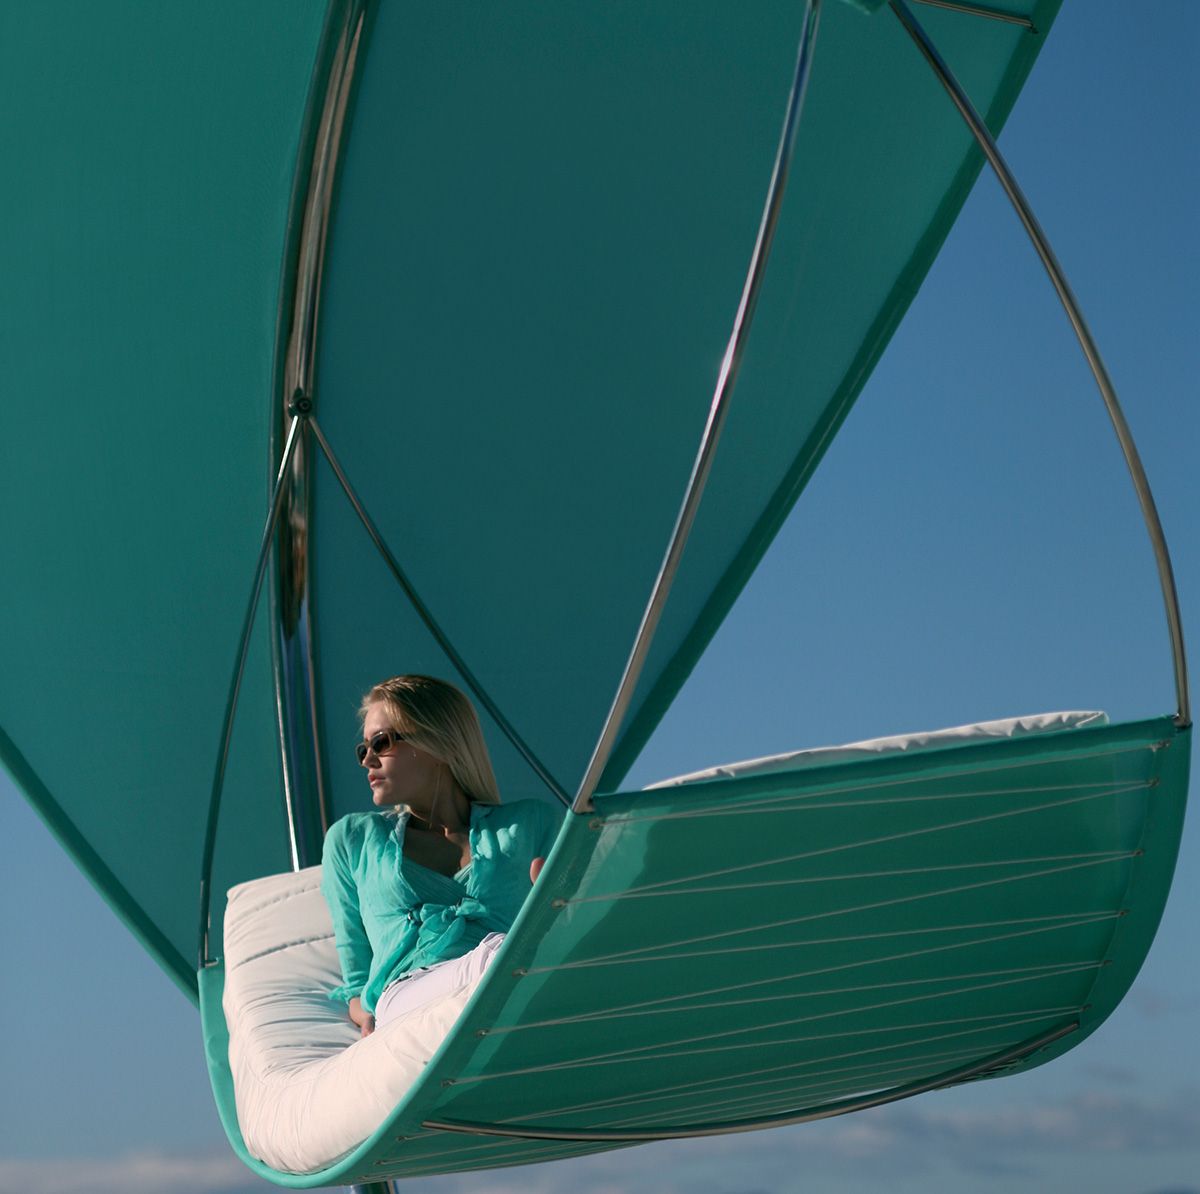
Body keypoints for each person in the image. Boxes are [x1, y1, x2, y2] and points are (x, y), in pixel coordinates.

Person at [321, 675, 561, 1038]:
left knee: (509, 960)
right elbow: (357, 975)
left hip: (512, 984)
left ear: (435, 741)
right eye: (363, 749)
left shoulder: (532, 823)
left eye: (381, 742)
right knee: (498, 958)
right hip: (408, 994)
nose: (367, 759)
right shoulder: (353, 840)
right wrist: (364, 1015)